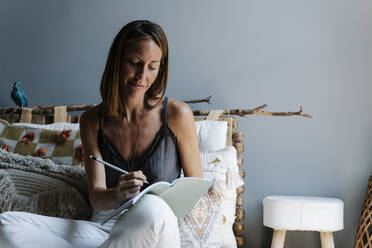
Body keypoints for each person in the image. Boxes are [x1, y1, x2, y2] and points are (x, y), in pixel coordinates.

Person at [0, 20, 202, 248]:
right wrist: (118, 193)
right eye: (135, 63)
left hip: (155, 228)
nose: (142, 75)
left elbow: (196, 190)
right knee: (8, 223)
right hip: (104, 230)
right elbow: (97, 197)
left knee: (152, 207)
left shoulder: (176, 114)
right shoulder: (92, 120)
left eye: (152, 66)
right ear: (117, 61)